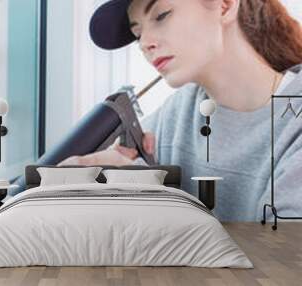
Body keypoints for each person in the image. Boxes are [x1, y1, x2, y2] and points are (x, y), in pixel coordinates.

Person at [58, 0, 302, 222]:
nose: (145, 43)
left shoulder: (294, 123)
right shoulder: (175, 113)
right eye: (137, 33)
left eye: (161, 15)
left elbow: (282, 262)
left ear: (225, 6)